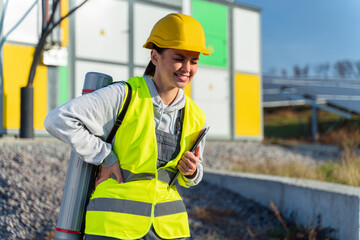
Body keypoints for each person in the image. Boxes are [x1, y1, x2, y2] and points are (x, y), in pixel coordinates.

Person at [44, 13, 210, 240]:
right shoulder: (124, 95)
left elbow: (189, 176)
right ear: (155, 56)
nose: (187, 68)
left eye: (194, 61)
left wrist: (191, 172)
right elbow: (58, 120)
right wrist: (106, 156)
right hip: (113, 227)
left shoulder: (195, 116)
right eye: (179, 58)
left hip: (169, 231)